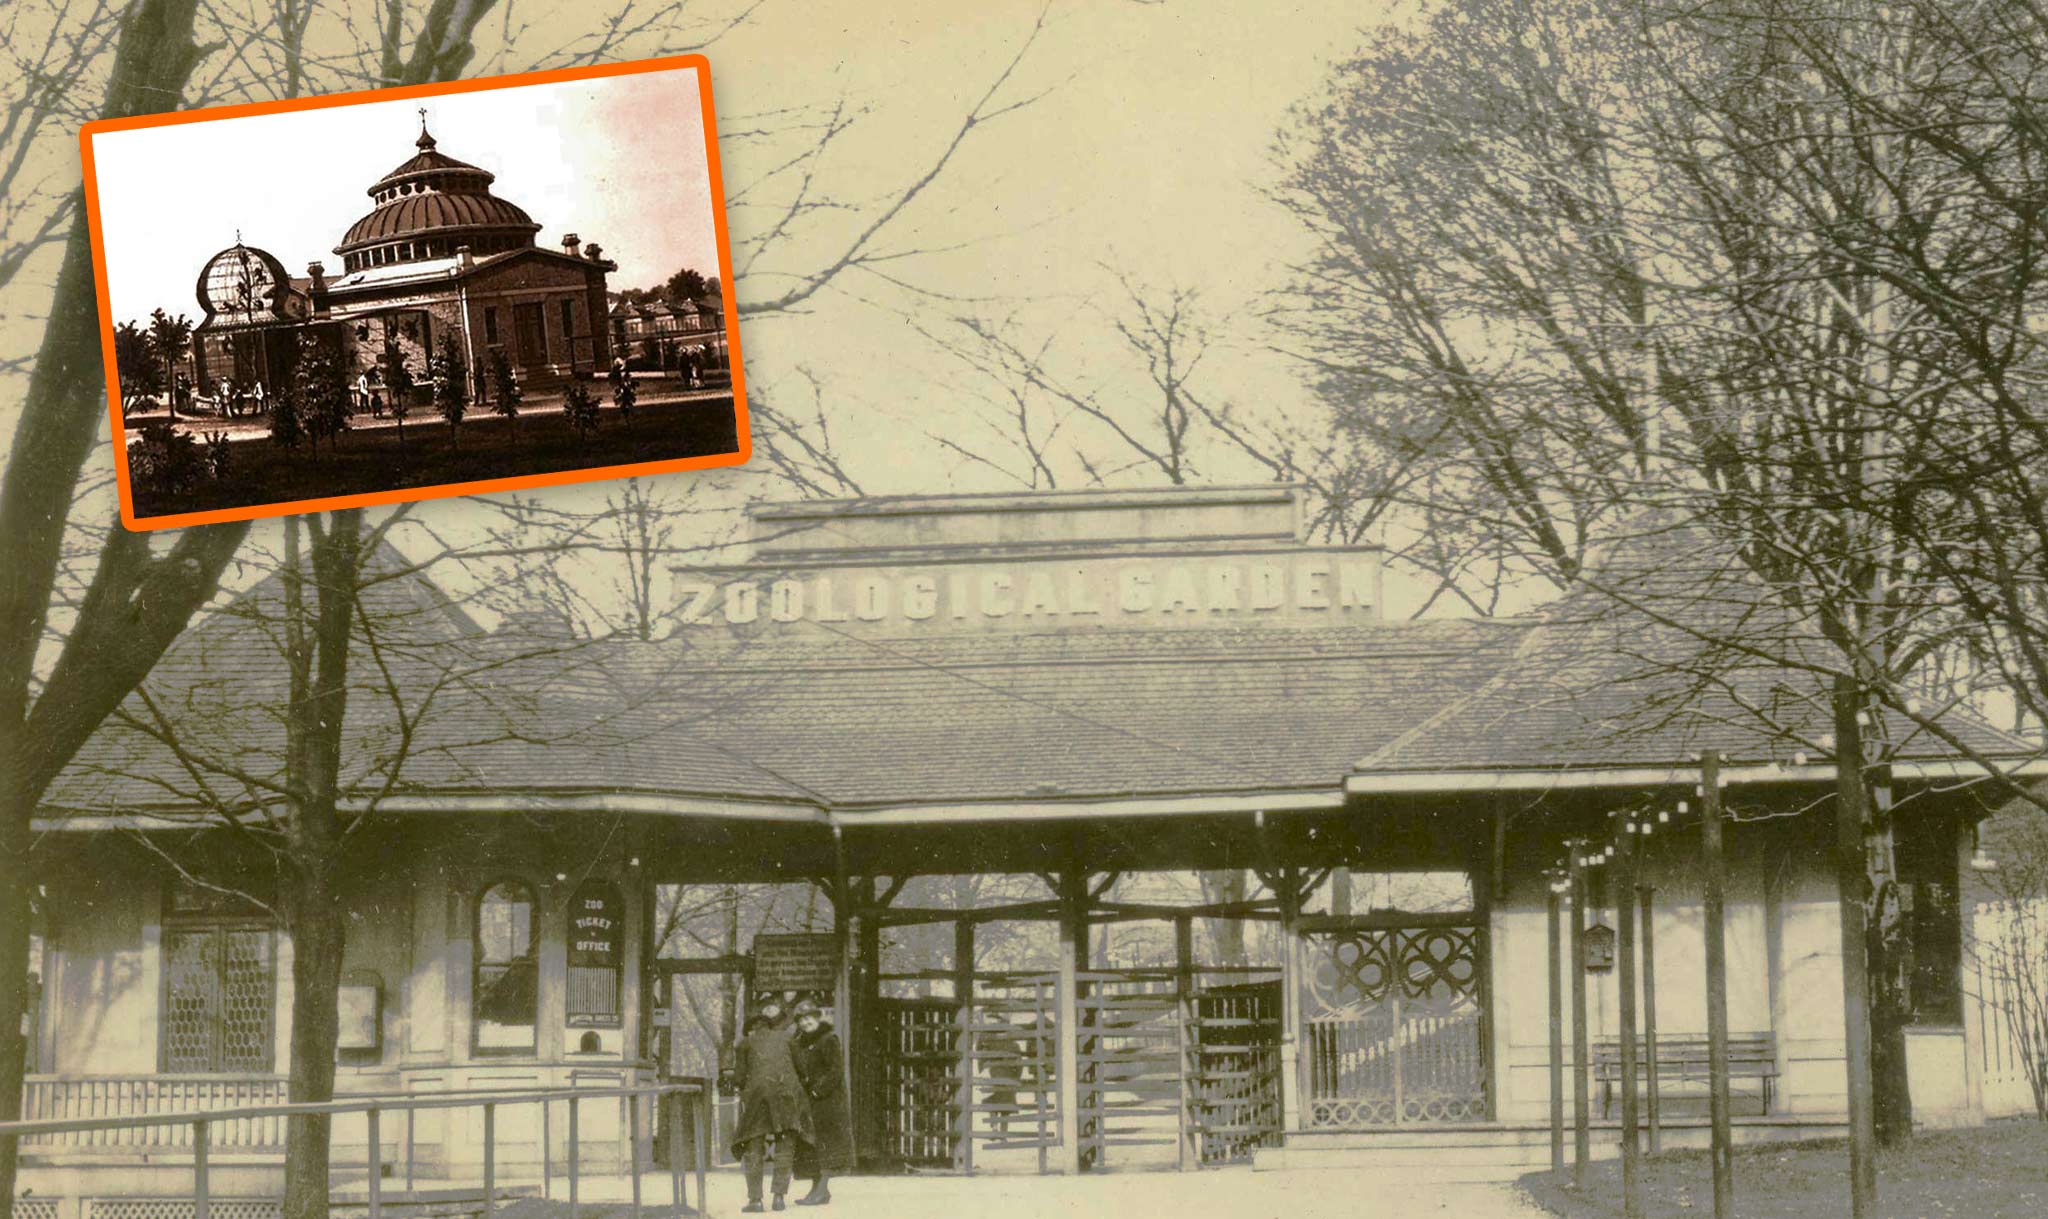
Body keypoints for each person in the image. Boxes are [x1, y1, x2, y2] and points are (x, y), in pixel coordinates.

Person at [730, 997, 812, 1213]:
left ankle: (755, 1200)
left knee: (753, 1143)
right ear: (771, 1024)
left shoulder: (745, 1043)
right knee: (785, 1142)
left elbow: (738, 1079)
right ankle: (779, 1198)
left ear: (751, 1028)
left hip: (757, 1097)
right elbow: (803, 1071)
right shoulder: (787, 1039)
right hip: (786, 1093)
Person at [789, 998, 851, 1207]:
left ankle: (821, 1189)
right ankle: (817, 1191)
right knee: (813, 1145)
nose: (806, 1023)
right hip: (811, 1103)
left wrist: (817, 1090)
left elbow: (836, 1070)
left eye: (809, 1018)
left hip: (828, 1102)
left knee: (827, 1147)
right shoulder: (799, 1043)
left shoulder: (828, 1039)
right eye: (801, 1020)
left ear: (817, 1017)